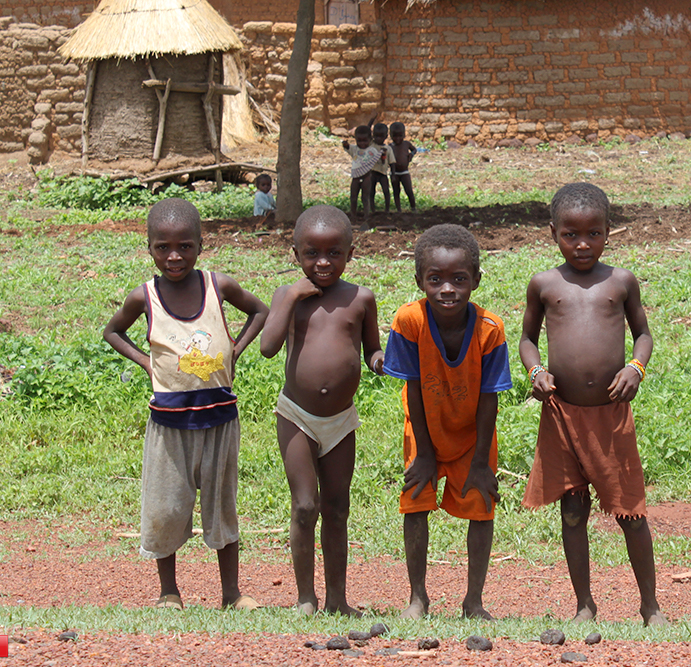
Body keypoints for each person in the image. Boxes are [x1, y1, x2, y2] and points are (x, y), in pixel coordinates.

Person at [103, 198, 269, 611]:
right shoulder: (144, 297)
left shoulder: (219, 286)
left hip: (218, 420)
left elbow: (260, 311)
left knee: (221, 506)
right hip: (169, 424)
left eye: (184, 246)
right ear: (149, 248)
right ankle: (168, 592)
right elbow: (113, 332)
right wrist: (146, 363)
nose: (174, 256)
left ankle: (231, 593)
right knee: (167, 506)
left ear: (200, 245)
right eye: (163, 247)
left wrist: (235, 348)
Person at [518, 182, 667, 626]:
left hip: (611, 416)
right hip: (562, 414)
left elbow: (643, 334)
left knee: (631, 513)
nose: (582, 244)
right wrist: (535, 372)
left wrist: (635, 369)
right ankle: (584, 604)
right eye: (570, 234)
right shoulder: (544, 284)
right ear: (553, 233)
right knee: (571, 510)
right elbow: (526, 339)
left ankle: (650, 606)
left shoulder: (620, 282)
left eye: (593, 234)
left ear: (609, 232)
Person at [383, 224, 513, 620]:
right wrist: (423, 453)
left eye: (459, 279)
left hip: (474, 437)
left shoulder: (490, 330)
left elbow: (490, 400)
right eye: (435, 279)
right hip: (424, 430)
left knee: (480, 507)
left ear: (476, 278)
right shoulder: (409, 321)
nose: (447, 289)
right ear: (419, 279)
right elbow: (414, 389)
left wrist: (479, 462)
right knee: (415, 504)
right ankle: (417, 597)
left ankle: (473, 600)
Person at [260, 205, 385, 616]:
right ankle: (305, 599)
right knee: (304, 505)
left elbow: (371, 350)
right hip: (296, 414)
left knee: (337, 508)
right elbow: (267, 347)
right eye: (312, 254)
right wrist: (293, 293)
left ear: (351, 253)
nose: (323, 262)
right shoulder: (288, 295)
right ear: (294, 254)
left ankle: (337, 599)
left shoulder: (360, 298)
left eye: (334, 253)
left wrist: (380, 361)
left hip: (340, 420)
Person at [342, 125, 382, 222]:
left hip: (367, 177)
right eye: (359, 141)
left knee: (365, 197)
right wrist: (345, 144)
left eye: (365, 140)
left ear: (370, 139)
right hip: (355, 177)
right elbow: (347, 147)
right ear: (355, 139)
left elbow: (378, 158)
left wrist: (383, 154)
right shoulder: (355, 149)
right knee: (353, 197)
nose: (362, 143)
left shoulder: (372, 151)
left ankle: (366, 215)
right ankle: (353, 215)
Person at [389, 122, 417, 213]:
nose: (397, 138)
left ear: (404, 134)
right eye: (395, 136)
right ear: (390, 135)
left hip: (404, 172)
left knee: (409, 190)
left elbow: (414, 149)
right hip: (394, 173)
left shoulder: (406, 144)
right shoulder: (390, 147)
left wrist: (411, 155)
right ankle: (399, 210)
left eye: (400, 136)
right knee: (396, 192)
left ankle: (413, 207)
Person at [369, 122, 396, 214]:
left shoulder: (388, 149)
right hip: (372, 173)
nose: (378, 139)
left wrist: (393, 174)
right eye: (376, 136)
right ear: (373, 135)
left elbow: (392, 163)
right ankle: (372, 209)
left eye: (381, 136)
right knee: (371, 191)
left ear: (386, 136)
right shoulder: (371, 144)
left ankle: (387, 209)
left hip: (383, 174)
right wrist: (371, 121)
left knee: (386, 191)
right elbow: (366, 132)